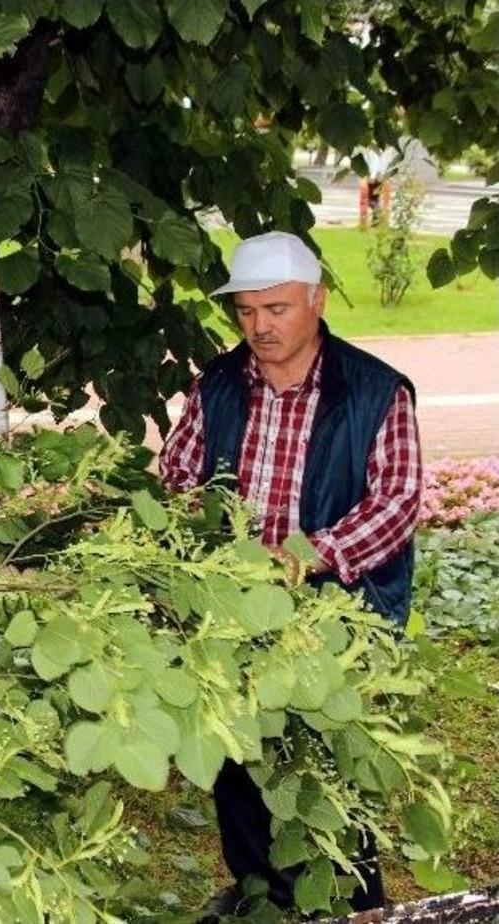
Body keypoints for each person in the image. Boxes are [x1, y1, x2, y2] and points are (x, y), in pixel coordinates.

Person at [160, 231, 421, 917]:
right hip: (234, 615)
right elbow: (179, 478)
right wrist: (202, 543)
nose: (259, 326)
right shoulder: (217, 385)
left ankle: (350, 904)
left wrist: (307, 557)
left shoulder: (375, 391)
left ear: (317, 302)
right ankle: (259, 896)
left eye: (275, 308)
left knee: (329, 780)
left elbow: (396, 504)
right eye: (245, 312)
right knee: (240, 766)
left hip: (337, 621)